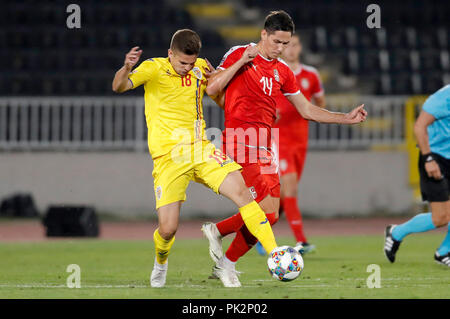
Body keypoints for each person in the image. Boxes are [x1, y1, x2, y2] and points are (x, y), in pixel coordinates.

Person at [202, 10, 367, 287]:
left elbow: (306, 109)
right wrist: (242, 61)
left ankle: (217, 230)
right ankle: (226, 265)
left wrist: (344, 118)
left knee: (272, 215)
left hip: (267, 146)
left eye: (286, 44)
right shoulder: (239, 53)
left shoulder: (283, 72)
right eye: (277, 42)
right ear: (264, 34)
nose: (281, 49)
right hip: (239, 140)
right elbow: (212, 88)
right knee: (263, 214)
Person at [112, 29, 280, 288]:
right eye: (182, 63)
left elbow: (218, 94)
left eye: (191, 63)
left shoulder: (200, 68)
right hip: (169, 157)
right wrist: (126, 68)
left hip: (200, 149)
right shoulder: (153, 68)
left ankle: (276, 255)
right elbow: (119, 86)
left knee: (244, 194)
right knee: (168, 229)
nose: (186, 68)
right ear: (170, 54)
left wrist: (250, 110)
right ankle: (161, 262)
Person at [255, 33, 326, 256]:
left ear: (300, 47)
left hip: (300, 141)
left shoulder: (311, 75)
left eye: (295, 44)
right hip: (277, 140)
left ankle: (258, 235)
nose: (292, 49)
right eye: (288, 45)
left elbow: (319, 101)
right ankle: (302, 241)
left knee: (285, 195)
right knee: (291, 189)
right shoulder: (275, 71)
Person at [384, 84, 450, 267]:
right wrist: (428, 158)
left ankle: (444, 252)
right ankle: (396, 233)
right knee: (441, 218)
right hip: (436, 158)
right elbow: (419, 126)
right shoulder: (443, 98)